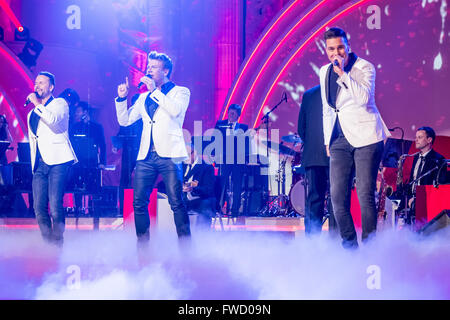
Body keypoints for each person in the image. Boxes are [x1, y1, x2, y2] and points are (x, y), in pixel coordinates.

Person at [320, 27, 390, 248]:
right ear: (326, 50)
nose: (336, 53)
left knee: (364, 194)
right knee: (337, 197)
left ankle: (370, 247)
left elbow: (363, 99)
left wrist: (343, 74)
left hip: (367, 137)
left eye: (340, 47)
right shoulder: (323, 71)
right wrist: (327, 141)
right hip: (339, 139)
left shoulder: (364, 67)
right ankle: (349, 246)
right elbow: (327, 108)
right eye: (331, 49)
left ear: (348, 46)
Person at [115, 50, 191, 243]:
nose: (149, 71)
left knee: (176, 202)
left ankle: (185, 246)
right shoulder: (143, 98)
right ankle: (143, 247)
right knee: (139, 202)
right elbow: (125, 121)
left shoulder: (180, 92)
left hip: (169, 155)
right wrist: (122, 99)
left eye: (154, 67)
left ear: (165, 71)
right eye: (148, 67)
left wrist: (154, 91)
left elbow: (175, 111)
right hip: (146, 156)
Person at [26, 71, 77, 246]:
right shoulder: (32, 113)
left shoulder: (60, 104)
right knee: (38, 208)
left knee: (55, 205)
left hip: (58, 161)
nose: (37, 86)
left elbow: (53, 120)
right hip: (39, 163)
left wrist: (36, 103)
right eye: (36, 83)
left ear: (51, 87)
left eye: (42, 83)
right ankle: (47, 244)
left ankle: (58, 243)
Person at [298, 85, 337, 236]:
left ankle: (312, 240)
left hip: (313, 155)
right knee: (337, 198)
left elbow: (301, 128)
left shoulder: (309, 94)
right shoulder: (340, 89)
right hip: (336, 153)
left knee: (314, 198)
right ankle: (335, 239)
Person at [214, 104, 249, 217]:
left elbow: (246, 144)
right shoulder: (220, 124)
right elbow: (215, 140)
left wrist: (246, 159)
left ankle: (235, 211)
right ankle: (219, 208)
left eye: (233, 113)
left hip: (238, 160)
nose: (230, 115)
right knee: (222, 183)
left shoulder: (243, 127)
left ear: (238, 115)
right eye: (229, 112)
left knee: (237, 185)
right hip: (224, 159)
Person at [408, 127, 447, 209]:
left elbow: (438, 187)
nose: (416, 140)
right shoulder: (416, 157)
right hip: (411, 201)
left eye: (420, 137)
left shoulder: (438, 159)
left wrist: (418, 199)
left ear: (429, 140)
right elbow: (413, 179)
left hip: (427, 203)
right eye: (416, 137)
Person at [182, 144, 216, 229]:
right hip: (184, 199)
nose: (186, 158)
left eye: (188, 155)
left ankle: (202, 235)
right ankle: (180, 234)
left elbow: (209, 189)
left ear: (195, 153)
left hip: (200, 198)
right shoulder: (182, 166)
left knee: (205, 204)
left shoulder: (206, 167)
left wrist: (193, 189)